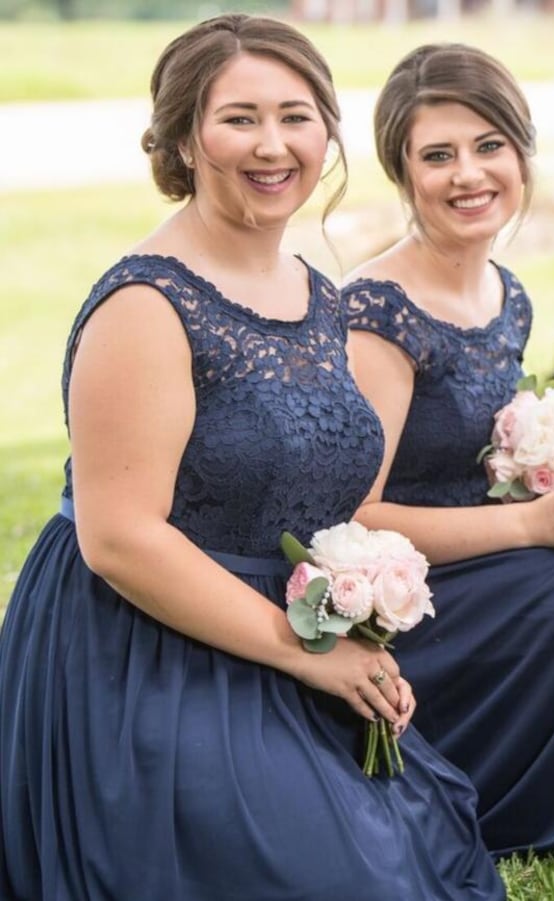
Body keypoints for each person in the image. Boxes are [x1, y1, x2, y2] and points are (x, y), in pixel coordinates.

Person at [0, 16, 503, 900]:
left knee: (409, 849)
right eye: (239, 119)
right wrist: (307, 653)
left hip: (278, 635)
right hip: (141, 649)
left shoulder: (316, 293)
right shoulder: (145, 306)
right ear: (184, 139)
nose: (273, 146)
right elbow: (118, 540)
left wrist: (352, 615)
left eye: (296, 116)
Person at [340, 43, 554, 856]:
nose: (469, 174)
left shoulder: (505, 293)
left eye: (489, 146)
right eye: (438, 155)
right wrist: (534, 525)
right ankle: (514, 797)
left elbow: (483, 466)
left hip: (482, 557)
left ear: (521, 155)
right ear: (403, 172)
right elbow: (358, 512)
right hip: (406, 590)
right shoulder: (377, 312)